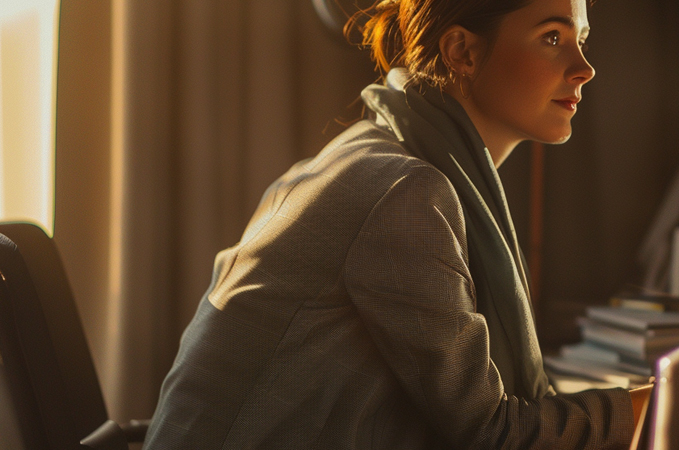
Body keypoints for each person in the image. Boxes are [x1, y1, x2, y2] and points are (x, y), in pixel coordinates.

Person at [143, 0, 650, 448]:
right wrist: (659, 403)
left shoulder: (369, 152)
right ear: (462, 52)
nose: (584, 68)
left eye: (580, 40)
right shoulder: (405, 194)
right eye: (552, 38)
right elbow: (492, 435)